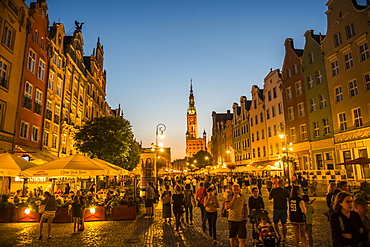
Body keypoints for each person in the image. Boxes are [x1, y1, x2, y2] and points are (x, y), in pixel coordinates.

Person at [269, 179, 290, 243]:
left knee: (276, 223)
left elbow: (269, 197)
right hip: (284, 208)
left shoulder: (274, 190)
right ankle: (284, 237)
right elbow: (290, 198)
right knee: (284, 224)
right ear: (281, 183)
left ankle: (278, 234)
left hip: (276, 208)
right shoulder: (286, 191)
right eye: (284, 183)